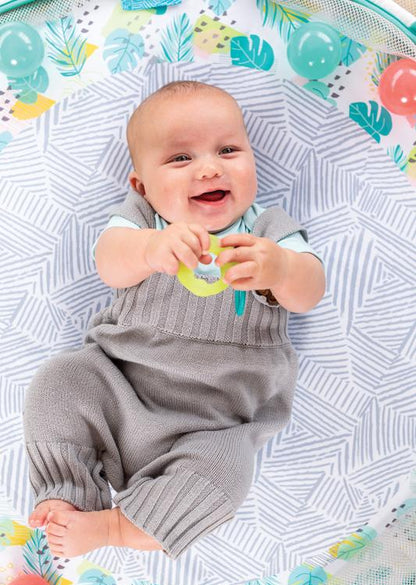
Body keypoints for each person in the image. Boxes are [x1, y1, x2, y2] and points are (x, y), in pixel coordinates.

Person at [23, 80, 325, 560]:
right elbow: (109, 262)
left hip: (215, 426)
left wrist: (282, 270)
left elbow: (310, 291)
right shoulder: (144, 220)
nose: (210, 168)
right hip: (119, 389)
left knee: (229, 472)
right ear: (142, 187)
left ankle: (115, 527)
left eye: (228, 150)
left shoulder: (267, 233)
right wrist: (149, 249)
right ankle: (69, 492)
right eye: (181, 158)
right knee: (60, 379)